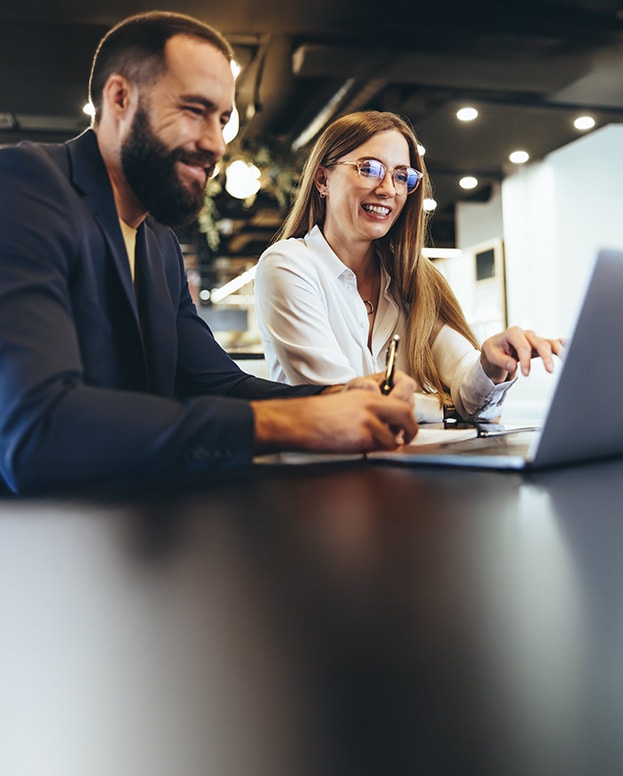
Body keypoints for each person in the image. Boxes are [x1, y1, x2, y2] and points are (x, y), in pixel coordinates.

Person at [0, 14, 417, 495]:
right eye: (195, 110)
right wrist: (288, 424)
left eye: (222, 120)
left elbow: (217, 384)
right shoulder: (26, 187)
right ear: (120, 99)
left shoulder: (157, 240)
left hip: (136, 527)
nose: (216, 143)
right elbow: (38, 429)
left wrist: (338, 396)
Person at [255, 110, 562, 423]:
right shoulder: (287, 265)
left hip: (404, 465)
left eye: (402, 176)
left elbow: (465, 379)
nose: (388, 188)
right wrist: (445, 408)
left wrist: (490, 365)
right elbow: (343, 400)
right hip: (321, 468)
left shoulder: (411, 279)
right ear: (323, 179)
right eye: (370, 169)